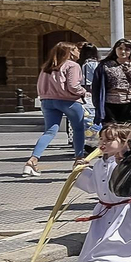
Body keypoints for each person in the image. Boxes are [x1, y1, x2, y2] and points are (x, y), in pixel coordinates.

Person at [68, 122, 131, 262]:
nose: (102, 143)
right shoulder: (99, 164)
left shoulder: (128, 162)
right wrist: (81, 171)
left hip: (128, 207)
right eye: (101, 139)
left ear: (124, 142)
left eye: (108, 140)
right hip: (105, 208)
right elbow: (92, 186)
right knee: (96, 237)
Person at [24, 41, 88, 176]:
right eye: (76, 50)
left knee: (49, 131)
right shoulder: (73, 66)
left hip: (47, 101)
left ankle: (33, 160)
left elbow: (39, 85)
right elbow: (73, 86)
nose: (78, 52)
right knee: (78, 129)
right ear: (70, 52)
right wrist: (84, 92)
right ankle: (79, 159)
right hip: (68, 101)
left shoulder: (47, 67)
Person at [91, 39, 131, 125]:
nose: (123, 52)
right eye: (120, 48)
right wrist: (97, 106)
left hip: (130, 104)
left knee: (127, 131)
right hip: (110, 105)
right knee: (110, 132)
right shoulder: (104, 66)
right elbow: (96, 87)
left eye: (127, 49)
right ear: (115, 49)